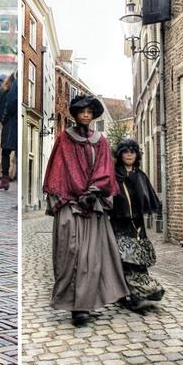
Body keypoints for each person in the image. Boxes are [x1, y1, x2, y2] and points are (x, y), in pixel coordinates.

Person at [42, 95, 129, 326]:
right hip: (70, 205)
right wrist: (72, 194)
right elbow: (58, 170)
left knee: (91, 257)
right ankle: (71, 302)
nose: (86, 115)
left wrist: (93, 192)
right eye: (82, 111)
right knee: (70, 253)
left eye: (90, 111)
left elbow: (105, 169)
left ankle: (83, 306)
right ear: (76, 114)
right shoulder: (64, 140)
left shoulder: (100, 141)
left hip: (93, 205)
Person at [111, 139, 165, 311]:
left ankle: (139, 291)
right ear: (120, 154)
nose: (129, 154)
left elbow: (147, 199)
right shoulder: (113, 174)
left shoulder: (141, 176)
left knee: (138, 258)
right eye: (125, 151)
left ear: (136, 155)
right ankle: (126, 293)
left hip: (137, 224)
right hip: (119, 223)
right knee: (124, 258)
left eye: (132, 151)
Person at [0, 72, 17, 191]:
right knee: (9, 152)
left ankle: (5, 179)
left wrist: (3, 119)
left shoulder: (9, 89)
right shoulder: (11, 88)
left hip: (10, 124)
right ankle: (5, 179)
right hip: (11, 123)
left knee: (5, 152)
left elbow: (7, 106)